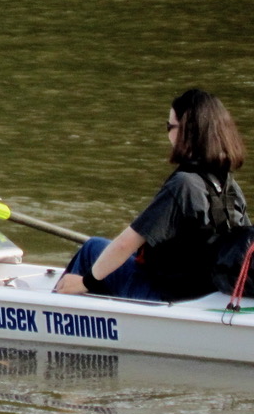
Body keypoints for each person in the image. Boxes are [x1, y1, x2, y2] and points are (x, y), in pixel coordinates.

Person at [56, 88, 248, 301]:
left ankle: (55, 311)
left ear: (187, 131)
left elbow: (125, 244)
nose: (168, 134)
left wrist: (85, 282)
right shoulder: (230, 187)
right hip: (205, 294)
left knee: (93, 248)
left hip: (164, 296)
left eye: (170, 127)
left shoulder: (183, 185)